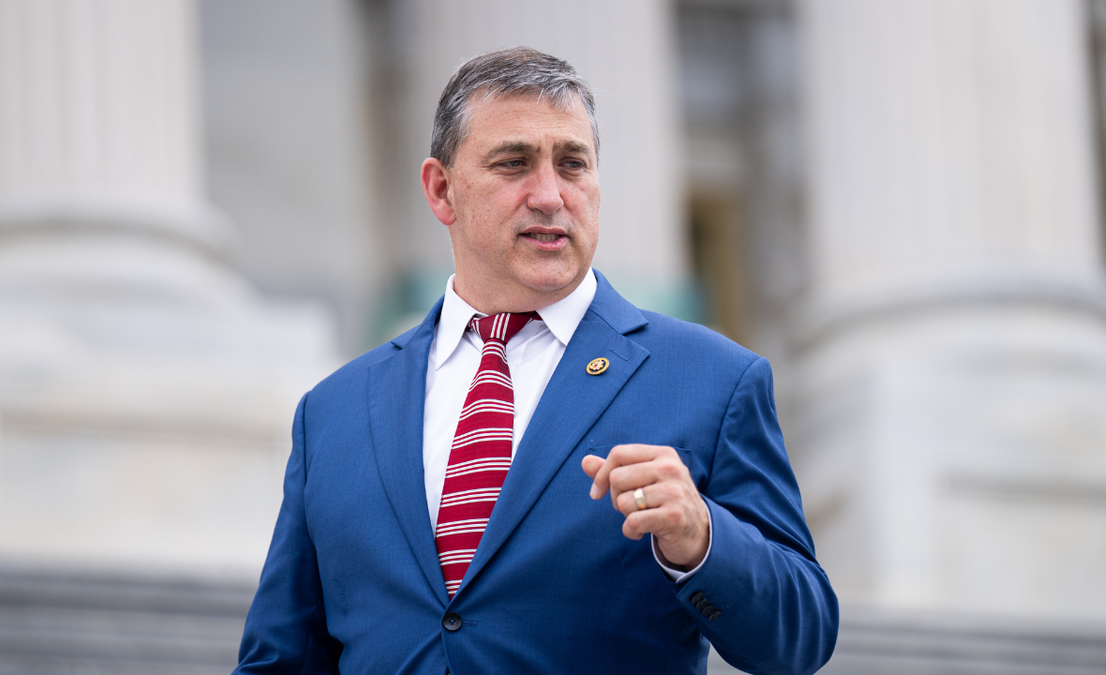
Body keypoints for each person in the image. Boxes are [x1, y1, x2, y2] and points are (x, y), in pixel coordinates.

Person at [234, 46, 838, 674]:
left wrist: (703, 540)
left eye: (572, 164)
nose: (549, 194)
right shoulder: (333, 412)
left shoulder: (712, 380)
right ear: (442, 190)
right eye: (514, 163)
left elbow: (801, 637)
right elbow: (281, 659)